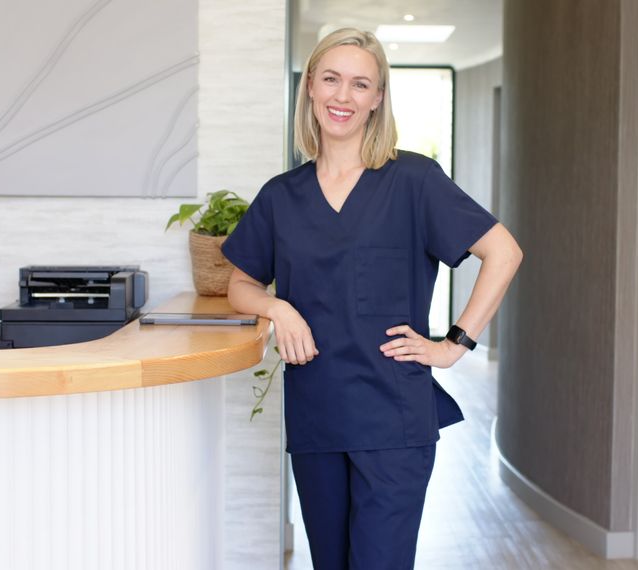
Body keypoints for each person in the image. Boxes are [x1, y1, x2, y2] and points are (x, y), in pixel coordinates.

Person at [221, 28, 523, 570]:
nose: (343, 96)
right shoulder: (281, 196)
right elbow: (238, 284)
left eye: (361, 84)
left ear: (378, 98)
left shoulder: (413, 180)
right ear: (310, 86)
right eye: (331, 79)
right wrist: (278, 308)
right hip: (317, 413)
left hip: (393, 418)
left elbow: (503, 252)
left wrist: (454, 345)